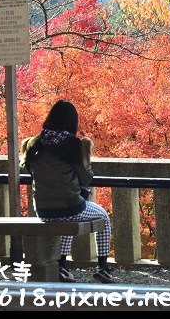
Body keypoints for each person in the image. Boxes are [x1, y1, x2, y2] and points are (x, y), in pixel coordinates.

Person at [20, 99, 115, 284]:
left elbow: (31, 171)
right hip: (70, 207)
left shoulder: (34, 144)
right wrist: (87, 160)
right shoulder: (74, 145)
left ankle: (62, 266)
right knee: (103, 217)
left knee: (65, 220)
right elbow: (86, 179)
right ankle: (103, 267)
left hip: (43, 211)